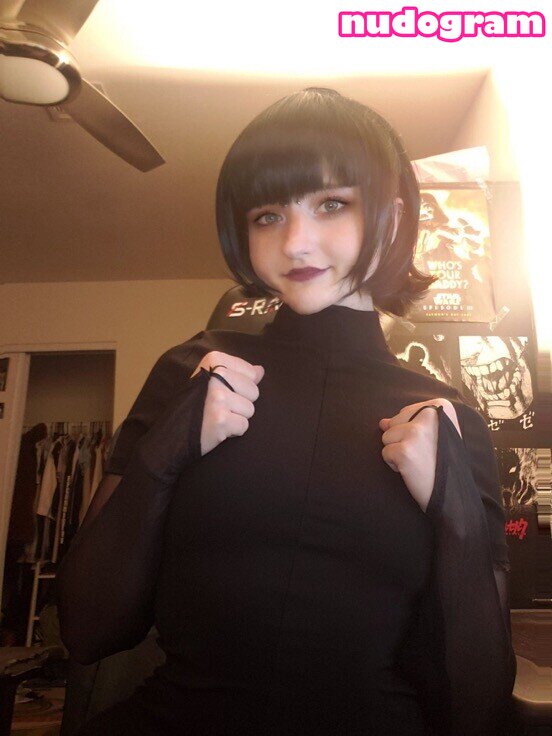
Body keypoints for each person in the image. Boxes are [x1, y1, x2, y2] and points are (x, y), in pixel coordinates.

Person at [56, 88, 517, 736]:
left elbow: (479, 706)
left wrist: (456, 511)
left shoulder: (447, 420)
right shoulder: (192, 370)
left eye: (331, 204)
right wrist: (162, 455)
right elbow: (86, 631)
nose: (296, 242)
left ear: (389, 217)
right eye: (268, 214)